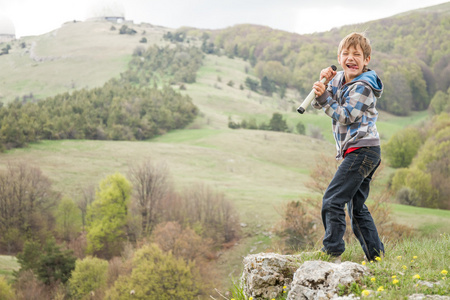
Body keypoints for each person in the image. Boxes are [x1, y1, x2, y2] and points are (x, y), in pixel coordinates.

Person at [311, 32, 384, 262]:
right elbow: (317, 102)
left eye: (357, 55)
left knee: (332, 200)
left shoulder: (363, 86)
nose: (350, 58)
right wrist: (323, 83)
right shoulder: (339, 79)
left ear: (366, 60)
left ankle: (332, 252)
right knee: (356, 207)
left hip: (363, 151)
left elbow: (346, 116)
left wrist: (325, 100)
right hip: (360, 151)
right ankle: (377, 258)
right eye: (346, 54)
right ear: (339, 57)